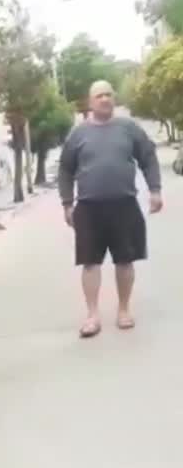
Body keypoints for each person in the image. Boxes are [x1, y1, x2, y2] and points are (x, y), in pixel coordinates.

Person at [57, 80, 163, 338]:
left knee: (125, 260)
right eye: (99, 95)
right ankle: (92, 316)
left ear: (113, 99)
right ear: (91, 102)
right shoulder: (78, 134)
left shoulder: (129, 129)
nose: (104, 99)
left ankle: (124, 310)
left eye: (108, 94)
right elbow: (65, 169)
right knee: (89, 263)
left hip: (124, 204)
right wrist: (67, 203)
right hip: (89, 208)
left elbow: (148, 157)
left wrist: (155, 190)